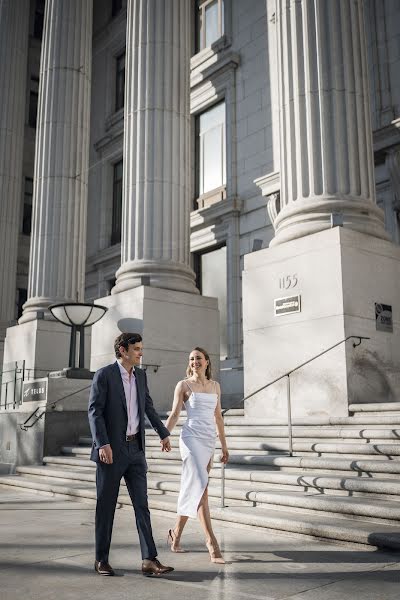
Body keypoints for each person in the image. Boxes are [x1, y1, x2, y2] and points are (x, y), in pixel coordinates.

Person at [88, 332, 174, 577]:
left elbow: (147, 406)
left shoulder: (141, 375)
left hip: (135, 450)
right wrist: (102, 443)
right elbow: (94, 412)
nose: (140, 352)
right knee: (106, 507)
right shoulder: (104, 375)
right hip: (111, 451)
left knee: (142, 505)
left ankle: (149, 559)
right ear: (123, 350)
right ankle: (101, 559)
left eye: (141, 348)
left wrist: (163, 433)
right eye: (136, 349)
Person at [165, 347, 229, 563]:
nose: (195, 362)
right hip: (190, 439)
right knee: (201, 488)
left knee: (194, 488)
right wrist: (165, 435)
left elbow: (218, 417)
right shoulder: (183, 385)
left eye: (198, 358)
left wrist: (224, 446)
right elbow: (174, 414)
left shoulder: (215, 386)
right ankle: (212, 543)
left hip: (208, 440)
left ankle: (175, 534)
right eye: (191, 359)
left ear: (207, 362)